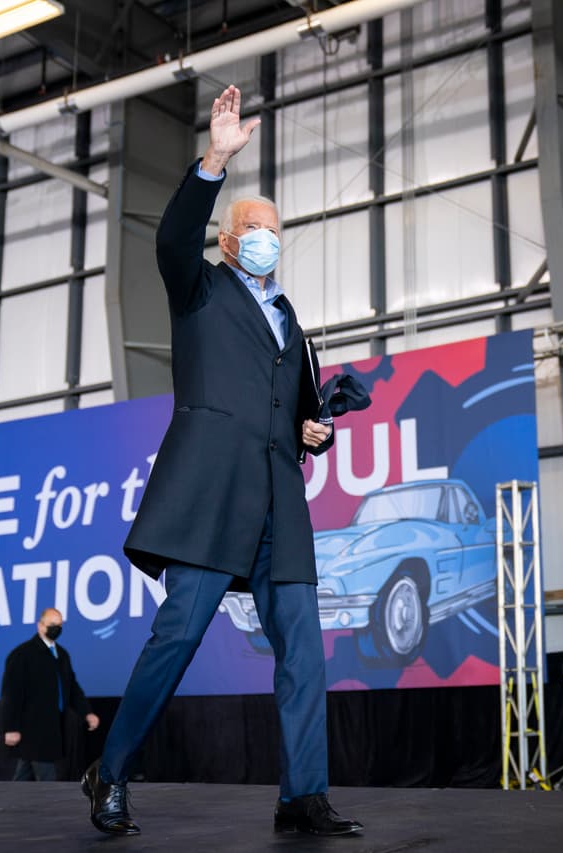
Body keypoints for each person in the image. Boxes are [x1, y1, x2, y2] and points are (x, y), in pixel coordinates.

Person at [80, 85, 360, 837]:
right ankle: (111, 772)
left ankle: (303, 796)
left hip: (279, 505)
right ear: (230, 240)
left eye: (274, 229)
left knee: (303, 649)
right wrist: (214, 159)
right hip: (210, 499)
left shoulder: (291, 322)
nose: (266, 238)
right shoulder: (198, 287)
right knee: (176, 638)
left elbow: (299, 414)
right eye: (253, 228)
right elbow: (173, 239)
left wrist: (316, 431)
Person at [0, 607, 100, 781]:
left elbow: (72, 688)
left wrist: (87, 713)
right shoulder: (22, 654)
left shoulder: (62, 655)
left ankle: (11, 798)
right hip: (31, 728)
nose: (56, 628)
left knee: (24, 777)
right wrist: (10, 728)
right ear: (40, 626)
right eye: (52, 624)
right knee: (46, 781)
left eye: (59, 625)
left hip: (52, 726)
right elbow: (11, 693)